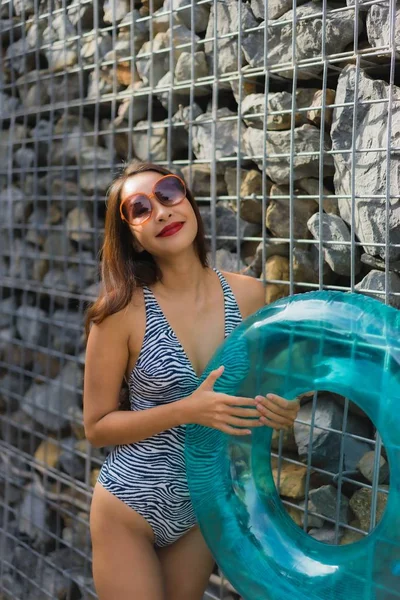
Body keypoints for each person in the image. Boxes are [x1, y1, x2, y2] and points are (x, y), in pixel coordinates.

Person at [83, 160, 300, 600]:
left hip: (204, 500)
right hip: (130, 507)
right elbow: (96, 426)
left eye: (168, 193)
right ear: (133, 240)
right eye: (139, 208)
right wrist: (186, 410)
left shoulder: (249, 293)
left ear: (189, 204)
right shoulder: (119, 312)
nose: (161, 211)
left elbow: (256, 393)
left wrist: (284, 409)